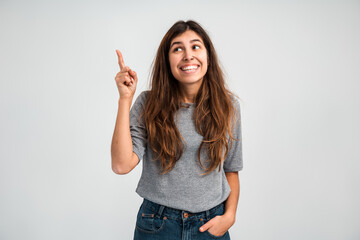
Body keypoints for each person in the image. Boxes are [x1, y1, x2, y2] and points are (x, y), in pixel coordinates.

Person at [111, 20, 243, 240]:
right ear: (167, 60)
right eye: (177, 48)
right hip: (157, 225)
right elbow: (121, 165)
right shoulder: (148, 103)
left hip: (210, 225)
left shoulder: (228, 105)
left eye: (195, 46)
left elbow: (231, 168)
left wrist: (230, 216)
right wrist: (125, 99)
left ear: (208, 56)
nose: (188, 55)